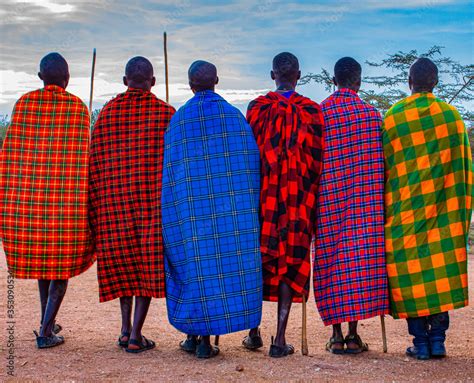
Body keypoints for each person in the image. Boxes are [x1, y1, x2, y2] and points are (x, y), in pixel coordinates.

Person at [161, 60, 262, 359]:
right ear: (216, 80)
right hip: (229, 210)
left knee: (194, 265)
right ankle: (205, 339)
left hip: (190, 211)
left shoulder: (179, 120)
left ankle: (198, 337)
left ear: (190, 85)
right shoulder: (234, 118)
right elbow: (250, 167)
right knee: (224, 267)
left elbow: (171, 173)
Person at [0, 53, 94, 348]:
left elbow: (12, 155)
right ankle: (45, 331)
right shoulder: (77, 109)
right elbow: (83, 161)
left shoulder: (24, 105)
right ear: (66, 79)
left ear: (41, 77)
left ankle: (47, 321)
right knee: (59, 266)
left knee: (45, 265)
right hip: (66, 204)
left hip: (31, 203)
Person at [383, 57, 472, 360]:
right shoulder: (452, 117)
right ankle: (439, 340)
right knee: (438, 270)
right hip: (443, 213)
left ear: (409, 83)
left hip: (404, 213)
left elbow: (384, 168)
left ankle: (419, 342)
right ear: (436, 83)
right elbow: (464, 169)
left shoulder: (394, 118)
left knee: (411, 272)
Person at [89, 56, 175, 353]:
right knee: (145, 265)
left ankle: (126, 329)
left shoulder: (108, 113)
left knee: (124, 264)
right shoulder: (165, 114)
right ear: (152, 82)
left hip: (114, 205)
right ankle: (136, 334)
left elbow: (94, 162)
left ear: (125, 81)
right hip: (151, 205)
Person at [245, 52, 324, 357]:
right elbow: (318, 163)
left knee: (259, 259)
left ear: (272, 75)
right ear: (299, 75)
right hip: (298, 202)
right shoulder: (311, 111)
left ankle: (253, 333)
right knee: (290, 262)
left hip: (263, 199)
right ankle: (279, 339)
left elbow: (249, 157)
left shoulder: (257, 108)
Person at [313, 57, 389, 354]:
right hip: (363, 204)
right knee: (357, 262)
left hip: (328, 201)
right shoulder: (372, 117)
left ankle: (335, 335)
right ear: (358, 82)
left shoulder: (319, 114)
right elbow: (382, 164)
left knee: (331, 261)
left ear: (334, 80)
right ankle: (354, 335)